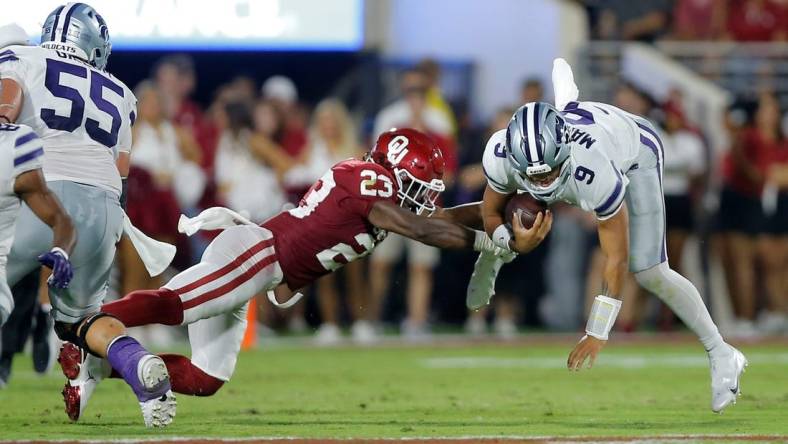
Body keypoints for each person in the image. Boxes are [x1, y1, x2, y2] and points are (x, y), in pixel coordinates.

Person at [59, 128, 515, 418]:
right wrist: (488, 241)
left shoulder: (382, 189)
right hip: (259, 254)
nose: (423, 198)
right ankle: (81, 324)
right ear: (393, 172)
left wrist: (502, 215)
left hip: (265, 270)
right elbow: (422, 228)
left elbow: (441, 218)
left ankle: (98, 361)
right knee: (175, 305)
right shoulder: (369, 180)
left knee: (205, 380)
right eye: (417, 187)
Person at [479, 59, 746, 413]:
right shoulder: (500, 154)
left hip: (634, 151)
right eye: (534, 176)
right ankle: (569, 100)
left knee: (649, 271)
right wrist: (511, 242)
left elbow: (615, 258)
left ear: (564, 153)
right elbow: (489, 211)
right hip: (583, 127)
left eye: (551, 172)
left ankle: (721, 352)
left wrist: (598, 330)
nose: (543, 183)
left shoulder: (595, 170)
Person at [0, 3, 176, 426]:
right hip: (103, 206)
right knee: (81, 320)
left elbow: (5, 110)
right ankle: (141, 368)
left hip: (41, 193)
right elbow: (122, 174)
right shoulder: (122, 92)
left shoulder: (23, 57)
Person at [371, 67, 455, 339]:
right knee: (381, 262)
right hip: (392, 202)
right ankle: (371, 320)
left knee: (421, 266)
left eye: (420, 91)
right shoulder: (389, 118)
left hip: (425, 204)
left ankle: (416, 321)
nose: (415, 97)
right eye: (411, 91)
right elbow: (375, 163)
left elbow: (449, 172)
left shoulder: (439, 122)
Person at [0, 123, 76, 386]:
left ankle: (42, 318)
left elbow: (59, 217)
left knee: (27, 270)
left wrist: (60, 252)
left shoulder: (14, 146)